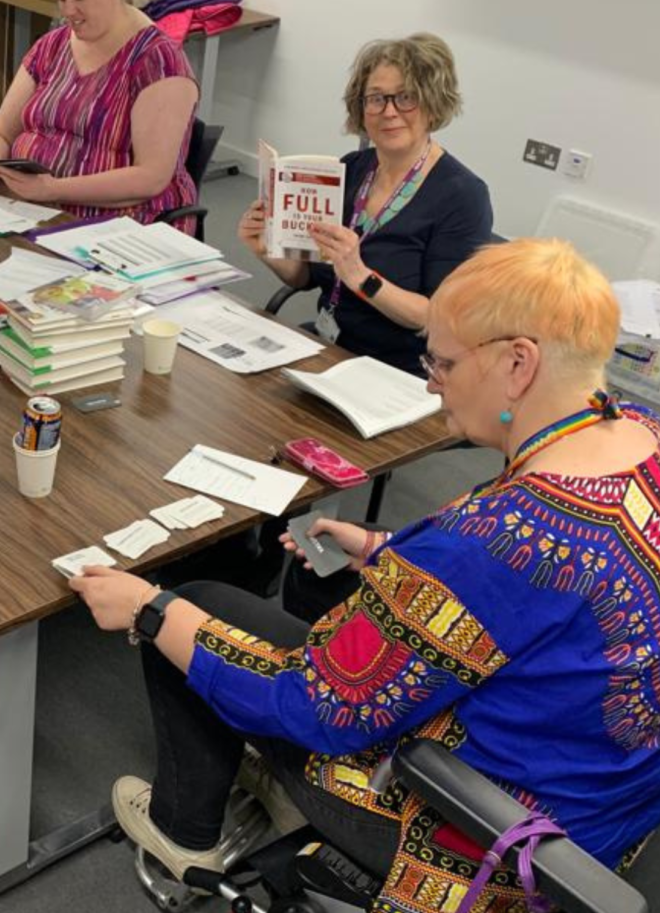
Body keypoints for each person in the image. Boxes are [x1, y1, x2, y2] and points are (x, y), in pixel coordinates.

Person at [71, 238, 660, 913]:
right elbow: (549, 599)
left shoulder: (493, 544)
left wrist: (148, 606)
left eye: (440, 359)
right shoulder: (638, 436)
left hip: (472, 827)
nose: (431, 378)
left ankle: (186, 832)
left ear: (518, 363)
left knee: (197, 603)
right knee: (313, 598)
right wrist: (387, 549)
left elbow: (313, 705)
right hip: (605, 805)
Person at [238, 32, 493, 376]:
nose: (388, 112)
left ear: (433, 104)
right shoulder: (352, 169)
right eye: (375, 99)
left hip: (399, 369)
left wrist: (361, 276)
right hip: (331, 349)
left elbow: (437, 318)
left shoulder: (463, 196)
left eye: (405, 98)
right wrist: (266, 248)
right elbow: (306, 277)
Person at [0, 0, 199, 230]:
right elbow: (4, 132)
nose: (67, 11)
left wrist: (51, 189)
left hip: (121, 223)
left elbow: (151, 178)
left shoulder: (159, 62)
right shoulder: (52, 45)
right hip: (31, 207)